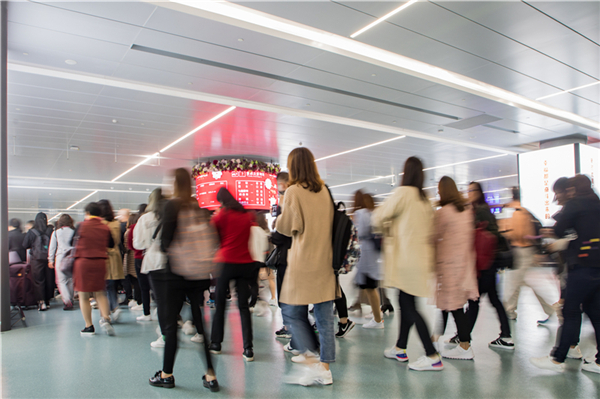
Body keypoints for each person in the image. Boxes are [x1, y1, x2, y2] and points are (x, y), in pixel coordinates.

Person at [149, 168, 219, 391]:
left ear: (174, 184)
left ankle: (166, 374)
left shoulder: (172, 205)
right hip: (198, 276)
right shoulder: (198, 206)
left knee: (171, 327)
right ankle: (210, 376)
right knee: (201, 327)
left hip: (176, 275)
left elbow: (165, 243)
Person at [373, 156, 443, 371]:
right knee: (406, 302)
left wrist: (386, 227)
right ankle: (400, 347)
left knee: (409, 306)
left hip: (405, 260)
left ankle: (432, 356)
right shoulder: (425, 199)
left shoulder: (403, 193)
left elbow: (377, 218)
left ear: (406, 173)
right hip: (420, 261)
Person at [276, 147, 336, 386]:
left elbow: (288, 227)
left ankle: (310, 358)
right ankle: (325, 367)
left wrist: (280, 213)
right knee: (324, 318)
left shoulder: (292, 191)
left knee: (290, 310)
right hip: (325, 260)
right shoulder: (324, 191)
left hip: (304, 260)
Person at [530, 174, 600, 374]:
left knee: (570, 311)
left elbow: (559, 230)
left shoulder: (575, 204)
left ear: (572, 189)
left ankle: (557, 358)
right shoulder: (596, 202)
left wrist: (547, 234)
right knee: (596, 313)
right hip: (597, 266)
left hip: (582, 266)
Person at [458, 181, 514, 350]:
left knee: (474, 300)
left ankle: (464, 338)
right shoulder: (483, 209)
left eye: (471, 190)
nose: (468, 193)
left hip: (485, 263)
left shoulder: (480, 210)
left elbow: (482, 235)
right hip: (489, 262)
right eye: (467, 190)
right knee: (492, 299)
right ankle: (505, 336)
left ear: (478, 192)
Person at [431, 176, 478, 360]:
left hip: (448, 265)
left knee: (455, 307)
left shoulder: (444, 212)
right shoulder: (466, 211)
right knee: (449, 304)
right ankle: (436, 338)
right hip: (464, 264)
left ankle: (465, 346)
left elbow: (433, 236)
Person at [209, 187, 257, 362]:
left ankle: (216, 344)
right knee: (243, 307)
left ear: (221, 201)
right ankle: (248, 349)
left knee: (220, 304)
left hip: (226, 262)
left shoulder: (222, 215)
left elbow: (213, 235)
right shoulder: (247, 215)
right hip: (245, 264)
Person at [502, 187, 557, 321]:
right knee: (523, 282)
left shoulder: (515, 211)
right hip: (527, 251)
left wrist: (506, 233)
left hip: (520, 251)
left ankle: (509, 311)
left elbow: (518, 234)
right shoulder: (526, 211)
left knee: (513, 284)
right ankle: (549, 310)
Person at [72, 202, 116, 335]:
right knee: (100, 293)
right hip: (100, 262)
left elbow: (71, 243)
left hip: (83, 262)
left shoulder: (81, 226)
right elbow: (111, 244)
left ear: (87, 213)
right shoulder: (105, 227)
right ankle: (106, 319)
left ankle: (89, 326)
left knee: (83, 295)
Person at [134, 188, 169, 349]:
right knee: (171, 299)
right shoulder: (171, 214)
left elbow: (138, 244)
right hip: (171, 260)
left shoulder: (145, 218)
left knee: (160, 300)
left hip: (153, 260)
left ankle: (164, 335)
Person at [352, 190, 384, 329]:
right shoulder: (374, 213)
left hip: (366, 256)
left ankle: (377, 319)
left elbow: (359, 232)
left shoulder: (361, 214)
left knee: (370, 288)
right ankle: (377, 316)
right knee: (371, 287)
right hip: (373, 256)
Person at [271, 172, 295, 343]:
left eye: (280, 183)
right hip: (295, 255)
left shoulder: (288, 203)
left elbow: (281, 235)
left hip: (286, 255)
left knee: (286, 294)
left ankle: (289, 327)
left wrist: (274, 233)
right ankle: (290, 326)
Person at [98, 199, 125, 323]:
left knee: (103, 286)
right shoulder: (116, 224)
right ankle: (114, 307)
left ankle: (109, 310)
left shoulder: (100, 224)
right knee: (112, 285)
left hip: (104, 256)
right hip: (116, 256)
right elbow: (118, 241)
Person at [22, 212, 54, 311]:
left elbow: (25, 245)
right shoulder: (50, 230)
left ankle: (41, 302)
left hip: (36, 259)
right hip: (49, 258)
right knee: (49, 279)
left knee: (38, 280)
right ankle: (48, 300)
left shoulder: (32, 232)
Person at [48, 214, 76, 310]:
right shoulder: (74, 232)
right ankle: (71, 299)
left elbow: (52, 247)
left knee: (61, 281)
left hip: (60, 258)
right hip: (72, 258)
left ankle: (67, 301)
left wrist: (50, 260)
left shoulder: (56, 232)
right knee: (71, 280)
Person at [123, 214, 141, 309]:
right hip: (138, 256)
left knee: (134, 280)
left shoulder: (129, 231)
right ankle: (139, 299)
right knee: (138, 280)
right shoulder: (139, 230)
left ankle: (137, 300)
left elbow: (127, 246)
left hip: (130, 258)